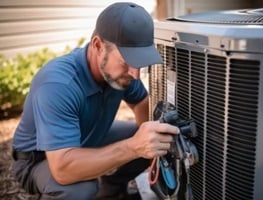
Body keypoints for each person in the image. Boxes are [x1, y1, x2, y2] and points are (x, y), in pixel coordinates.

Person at [12, 2, 179, 200]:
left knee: (153, 137)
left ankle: (111, 191)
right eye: (126, 62)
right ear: (98, 46)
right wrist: (134, 147)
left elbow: (142, 104)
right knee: (79, 188)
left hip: (87, 136)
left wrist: (148, 142)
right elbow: (63, 169)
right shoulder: (58, 84)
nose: (135, 74)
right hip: (39, 159)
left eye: (139, 62)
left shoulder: (123, 72)